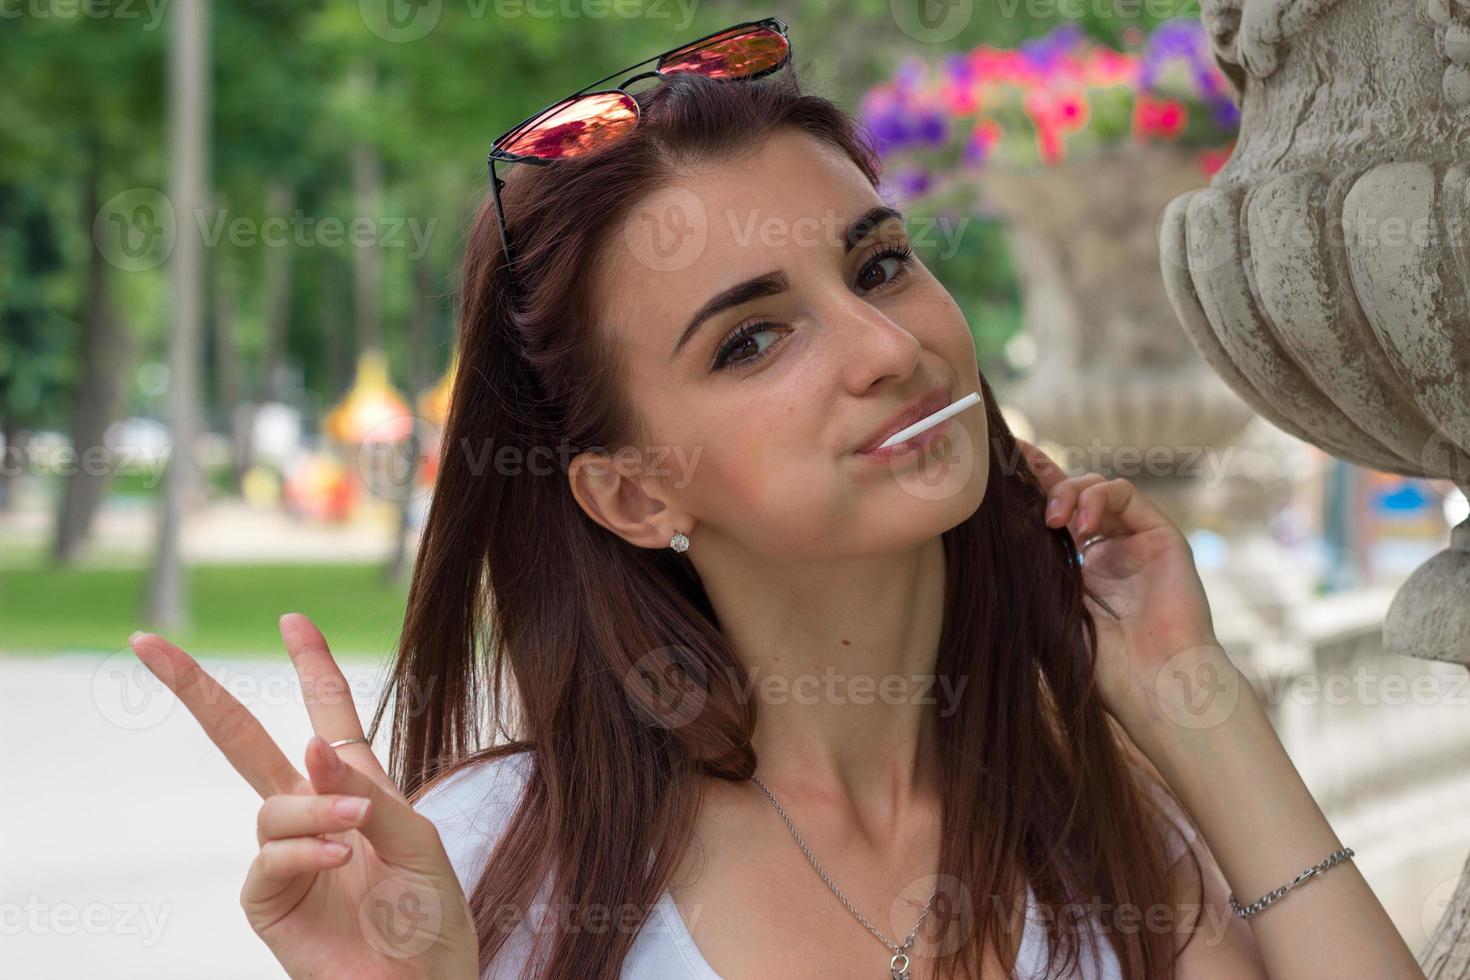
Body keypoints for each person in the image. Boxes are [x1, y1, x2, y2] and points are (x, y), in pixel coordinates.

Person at [127, 20, 1427, 980]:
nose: (882, 349)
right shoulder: (497, 873)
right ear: (633, 493)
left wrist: (1191, 701)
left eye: (878, 266)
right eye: (750, 342)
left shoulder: (1101, 837)